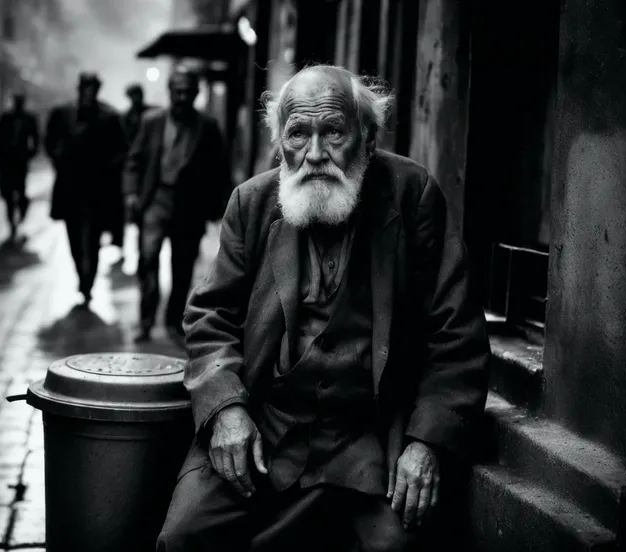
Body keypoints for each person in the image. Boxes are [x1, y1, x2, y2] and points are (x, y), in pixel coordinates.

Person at [155, 65, 490, 552]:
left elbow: (455, 334)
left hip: (368, 438)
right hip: (267, 427)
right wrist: (226, 408)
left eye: (332, 131)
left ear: (367, 139)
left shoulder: (413, 195)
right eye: (297, 134)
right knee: (184, 537)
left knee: (396, 547)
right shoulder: (250, 203)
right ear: (280, 144)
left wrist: (427, 443)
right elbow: (210, 317)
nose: (314, 154)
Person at [123, 67, 233, 343]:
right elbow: (134, 161)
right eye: (177, 91)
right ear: (169, 92)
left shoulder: (207, 127)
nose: (182, 97)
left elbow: (219, 170)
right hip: (156, 200)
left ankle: (173, 321)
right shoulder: (152, 121)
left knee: (181, 267)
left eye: (187, 92)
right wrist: (132, 193)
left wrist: (221, 208)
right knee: (147, 260)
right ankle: (145, 320)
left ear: (195, 93)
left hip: (189, 207)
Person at [44, 72, 127, 307]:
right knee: (73, 236)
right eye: (85, 88)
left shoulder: (109, 116)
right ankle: (82, 276)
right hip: (70, 187)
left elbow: (122, 149)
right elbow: (49, 141)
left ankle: (88, 282)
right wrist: (58, 157)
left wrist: (107, 168)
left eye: (92, 88)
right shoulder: (62, 114)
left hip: (98, 189)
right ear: (79, 88)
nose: (88, 93)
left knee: (93, 238)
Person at [0, 90, 40, 242]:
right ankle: (11, 225)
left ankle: (22, 209)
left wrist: (31, 153)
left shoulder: (29, 119)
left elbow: (35, 137)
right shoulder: (6, 118)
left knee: (20, 191)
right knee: (8, 195)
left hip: (20, 161)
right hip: (7, 161)